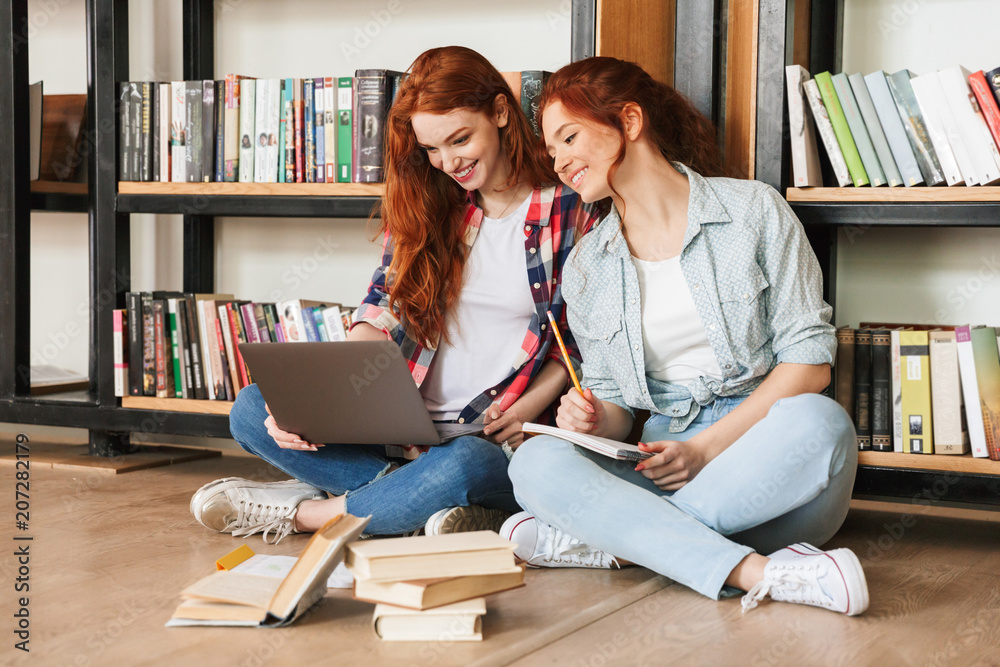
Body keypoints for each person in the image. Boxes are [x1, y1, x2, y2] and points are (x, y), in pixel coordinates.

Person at [501, 57, 868, 616]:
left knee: (824, 423)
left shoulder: (752, 211)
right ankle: (759, 570)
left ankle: (618, 544)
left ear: (628, 120)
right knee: (533, 462)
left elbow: (810, 363)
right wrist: (597, 417)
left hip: (760, 462)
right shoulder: (588, 265)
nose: (560, 162)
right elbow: (619, 405)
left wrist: (703, 449)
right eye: (552, 151)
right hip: (655, 461)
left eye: (569, 137)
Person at [190, 46, 600, 544]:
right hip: (399, 432)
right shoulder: (432, 204)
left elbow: (577, 339)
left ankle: (305, 513)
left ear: (498, 112)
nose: (449, 162)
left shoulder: (571, 208)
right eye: (431, 149)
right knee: (253, 410)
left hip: (488, 436)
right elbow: (382, 304)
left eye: (460, 139)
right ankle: (416, 505)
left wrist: (527, 407)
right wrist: (329, 401)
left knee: (466, 465)